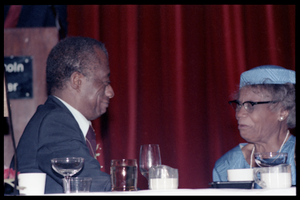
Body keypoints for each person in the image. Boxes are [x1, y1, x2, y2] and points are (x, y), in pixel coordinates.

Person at [10, 37, 114, 193]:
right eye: (104, 82)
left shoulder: (56, 118)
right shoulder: (56, 121)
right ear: (77, 81)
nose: (110, 92)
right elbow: (94, 183)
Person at [212, 65, 296, 187]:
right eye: (239, 105)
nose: (239, 114)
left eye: (250, 105)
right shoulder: (227, 164)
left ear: (282, 111)